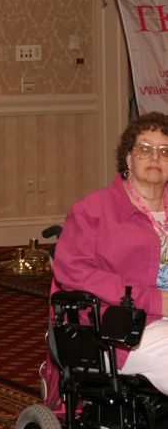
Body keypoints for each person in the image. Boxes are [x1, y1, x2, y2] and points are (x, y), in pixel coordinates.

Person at [53, 110, 168, 394]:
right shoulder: (95, 210)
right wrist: (154, 300)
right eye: (145, 148)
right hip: (121, 328)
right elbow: (73, 272)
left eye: (165, 151)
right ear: (128, 158)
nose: (155, 157)